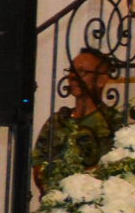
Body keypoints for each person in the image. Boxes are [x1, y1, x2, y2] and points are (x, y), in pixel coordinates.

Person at [32, 48, 117, 192]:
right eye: (71, 70)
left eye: (82, 72)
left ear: (101, 80)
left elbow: (114, 170)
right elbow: (39, 165)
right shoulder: (57, 120)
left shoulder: (112, 121)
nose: (73, 76)